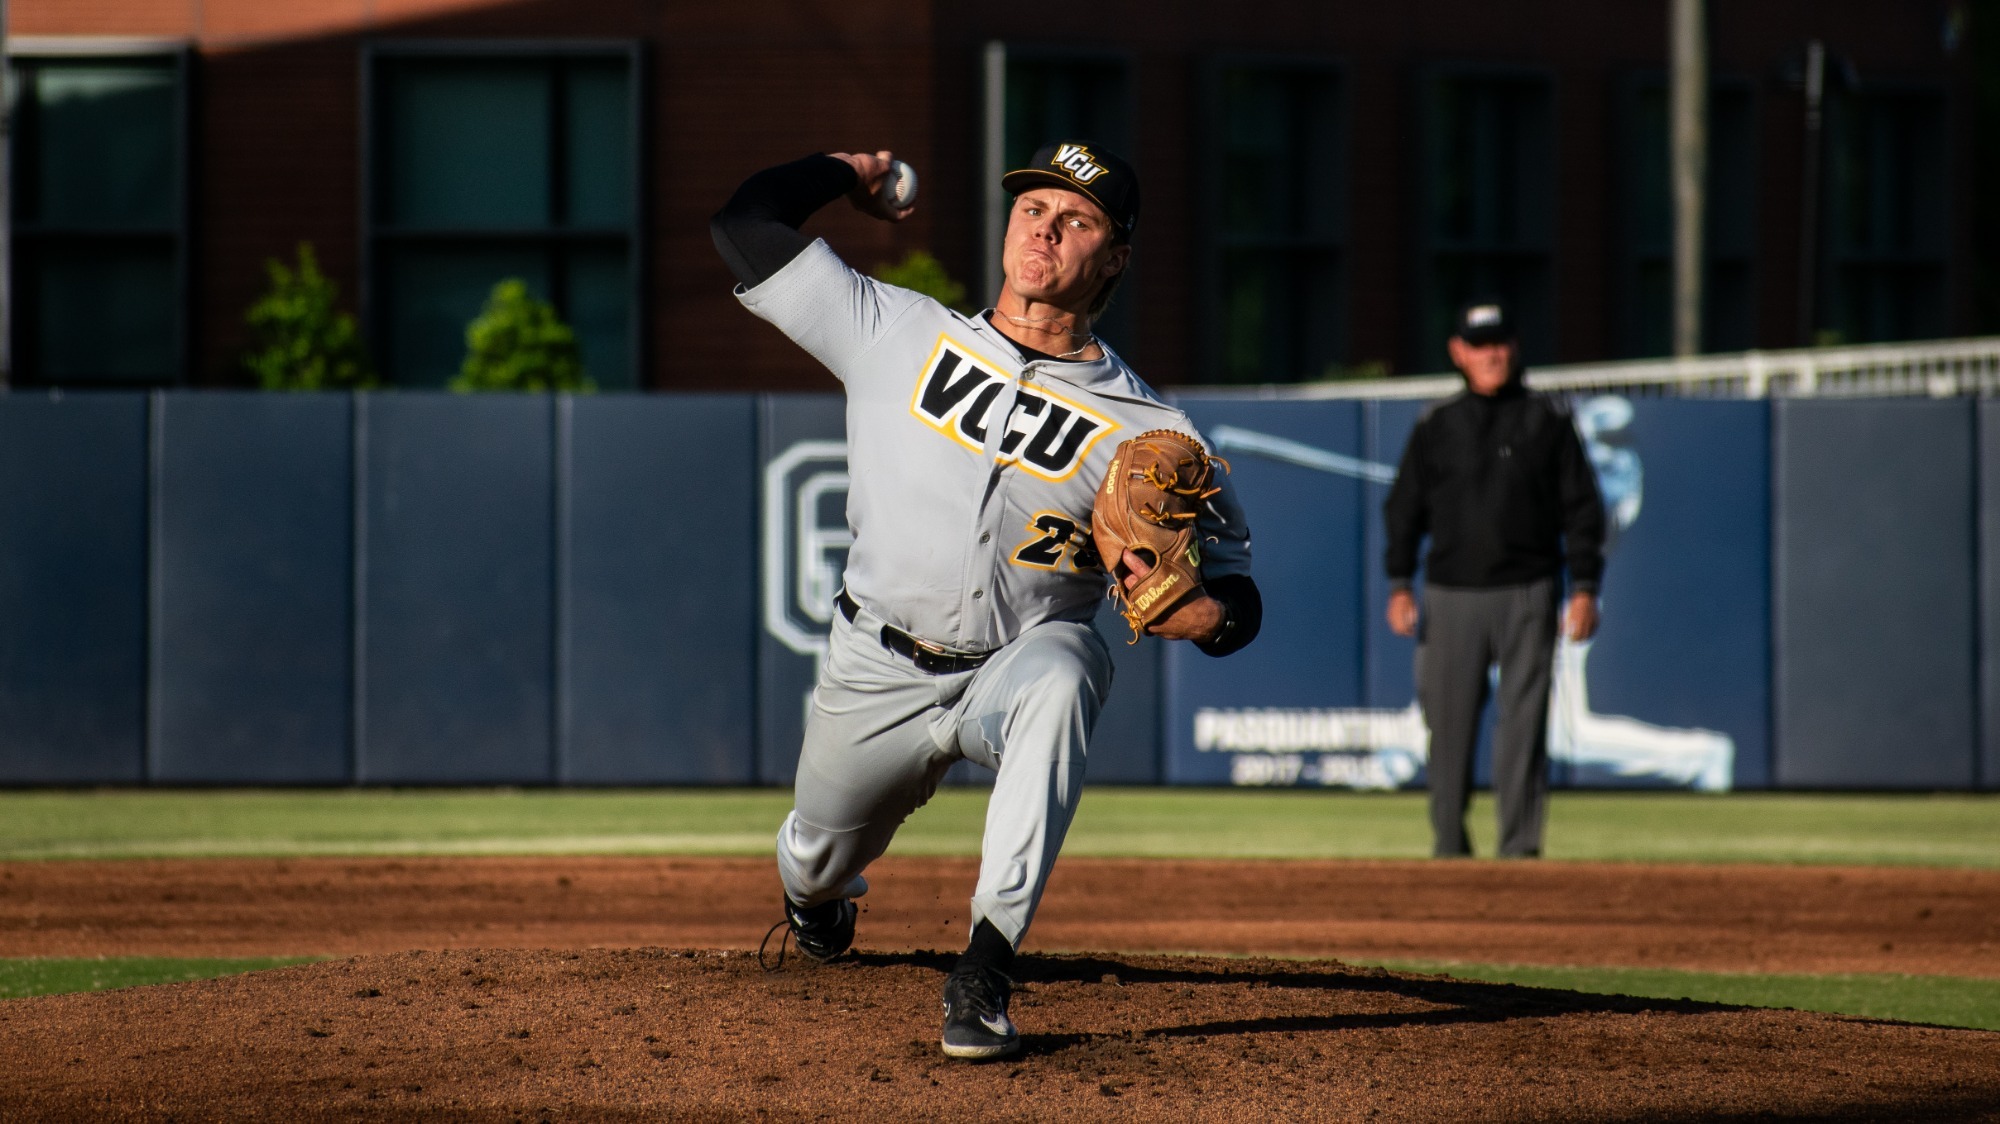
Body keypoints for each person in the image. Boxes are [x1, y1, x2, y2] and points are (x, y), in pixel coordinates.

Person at [711, 141, 1261, 1059]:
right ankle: (820, 901)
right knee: (813, 858)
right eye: (1032, 208)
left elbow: (1238, 592)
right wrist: (848, 171)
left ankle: (987, 965)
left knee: (1070, 666)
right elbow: (742, 226)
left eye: (1076, 219)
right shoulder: (894, 328)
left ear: (1116, 257)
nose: (1046, 229)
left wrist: (1208, 618)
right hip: (876, 665)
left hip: (1014, 666)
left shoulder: (1153, 430)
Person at [1382, 299, 1605, 859]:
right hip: (1451, 592)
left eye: (1500, 344)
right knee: (1448, 727)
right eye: (1480, 345)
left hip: (1528, 590)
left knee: (1524, 728)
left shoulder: (1547, 420)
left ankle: (1519, 852)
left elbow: (1582, 511)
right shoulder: (1437, 423)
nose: (1492, 355)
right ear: (1459, 352)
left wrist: (1584, 587)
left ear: (1515, 347)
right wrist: (1400, 582)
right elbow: (1404, 510)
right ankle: (1450, 849)